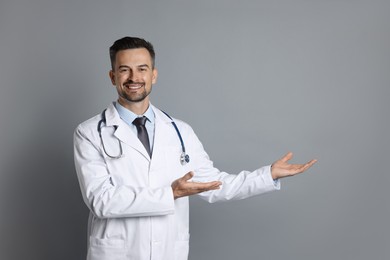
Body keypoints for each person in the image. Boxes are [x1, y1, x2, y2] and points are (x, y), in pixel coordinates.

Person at [73, 36, 317, 260]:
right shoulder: (90, 132)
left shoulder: (180, 131)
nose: (134, 77)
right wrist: (171, 194)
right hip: (118, 253)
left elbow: (213, 186)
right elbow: (102, 201)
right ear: (113, 77)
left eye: (142, 69)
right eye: (124, 70)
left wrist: (267, 175)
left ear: (154, 75)